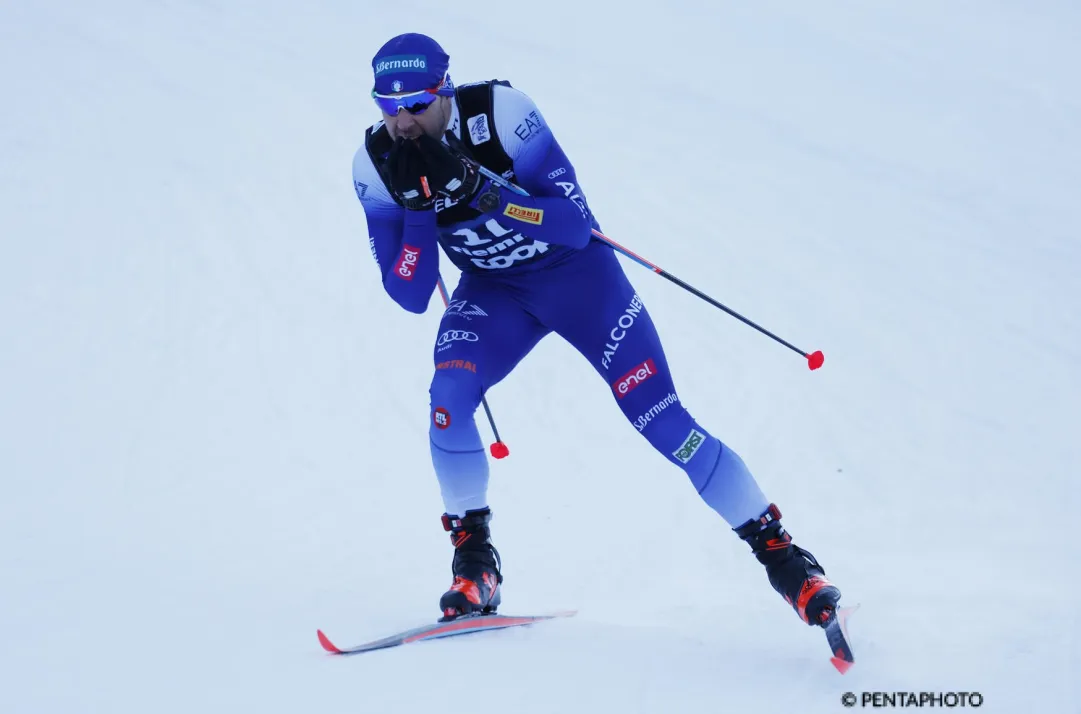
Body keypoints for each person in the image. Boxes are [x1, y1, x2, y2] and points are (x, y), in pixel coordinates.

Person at [351, 32, 843, 627]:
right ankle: (475, 561)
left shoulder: (502, 116)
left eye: (416, 106)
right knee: (448, 398)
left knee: (662, 422)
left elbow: (573, 226)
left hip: (580, 282)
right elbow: (409, 293)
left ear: (445, 91)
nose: (402, 122)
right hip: (496, 294)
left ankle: (786, 560)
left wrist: (483, 192)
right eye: (388, 105)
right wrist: (419, 208)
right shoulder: (375, 165)